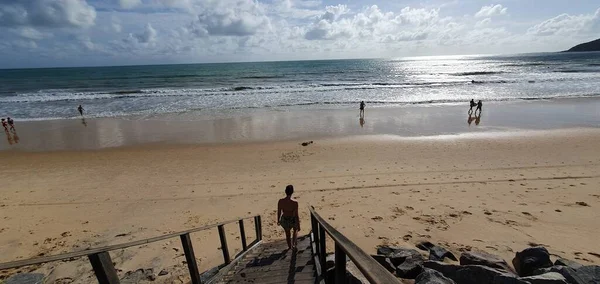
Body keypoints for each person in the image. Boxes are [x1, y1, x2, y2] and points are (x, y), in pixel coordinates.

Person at [277, 185, 300, 250]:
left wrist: (278, 220)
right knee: (295, 230)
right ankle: (294, 244)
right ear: (292, 192)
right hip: (292, 218)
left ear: (285, 191)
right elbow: (296, 214)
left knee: (287, 233)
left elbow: (279, 212)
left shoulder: (281, 201)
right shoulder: (295, 202)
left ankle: (289, 246)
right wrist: (298, 224)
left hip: (285, 218)